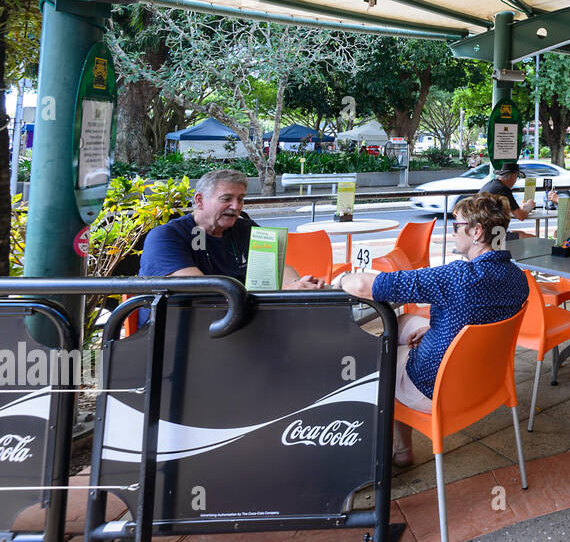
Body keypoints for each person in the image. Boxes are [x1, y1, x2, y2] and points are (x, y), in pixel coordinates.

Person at [336, 195, 529, 468]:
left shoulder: (457, 277)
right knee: (403, 324)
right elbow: (483, 315)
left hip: (434, 387)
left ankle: (374, 455)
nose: (451, 233)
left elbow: (366, 287)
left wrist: (340, 279)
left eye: (455, 226)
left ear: (476, 232)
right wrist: (435, 327)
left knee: (377, 356)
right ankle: (401, 449)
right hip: (487, 382)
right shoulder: (517, 277)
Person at [139, 168, 319, 289]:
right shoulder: (167, 236)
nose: (236, 206)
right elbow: (200, 290)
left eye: (240, 199)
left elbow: (277, 270)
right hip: (176, 327)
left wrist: (297, 285)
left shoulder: (246, 229)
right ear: (199, 200)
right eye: (226, 199)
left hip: (236, 319)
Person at [478, 162, 536, 226]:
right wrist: (529, 205)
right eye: (516, 177)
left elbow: (514, 210)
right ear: (512, 176)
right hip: (490, 230)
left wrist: (523, 208)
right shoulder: (503, 189)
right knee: (528, 235)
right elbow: (520, 216)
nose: (515, 181)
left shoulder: (492, 184)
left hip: (481, 225)